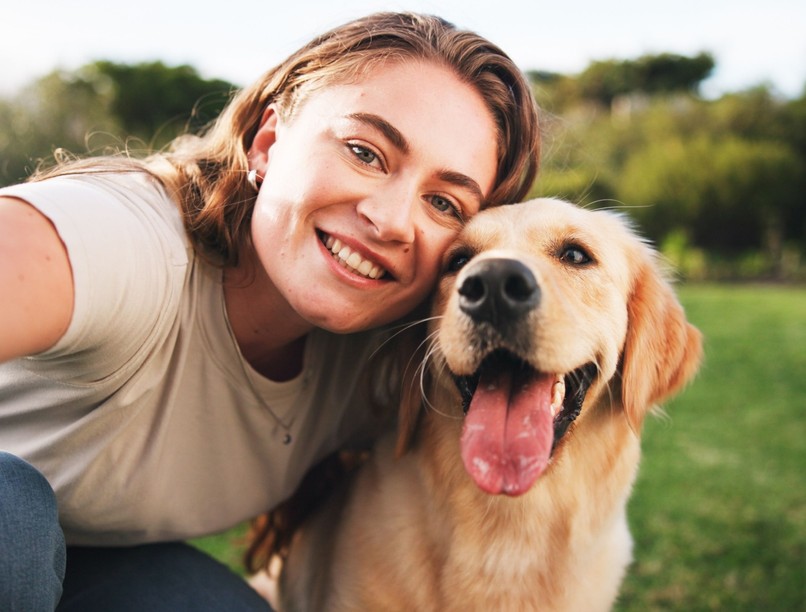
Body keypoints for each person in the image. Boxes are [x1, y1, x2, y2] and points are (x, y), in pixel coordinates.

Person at [0, 11, 540, 611]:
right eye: (365, 152)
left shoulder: (386, 367)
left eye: (443, 202)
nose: (390, 220)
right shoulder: (121, 244)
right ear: (268, 143)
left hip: (85, 560)